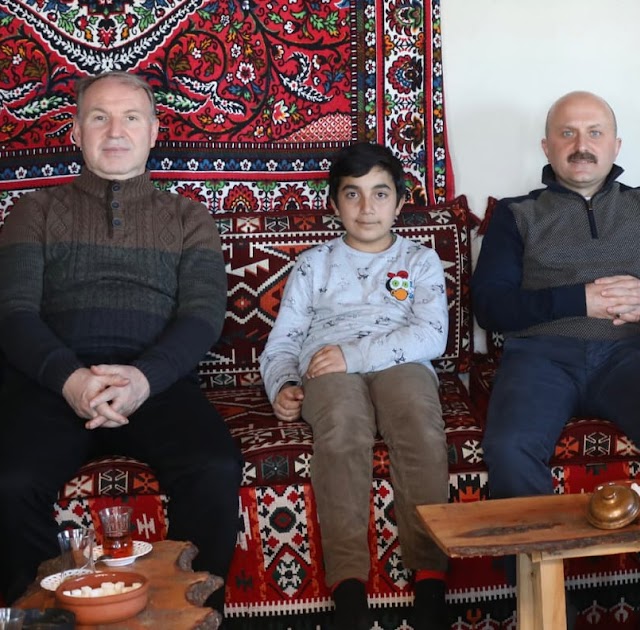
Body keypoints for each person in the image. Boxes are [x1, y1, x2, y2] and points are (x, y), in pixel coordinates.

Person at [471, 91, 640, 630]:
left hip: (630, 356)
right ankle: (544, 605)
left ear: (615, 145)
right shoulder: (516, 215)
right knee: (509, 450)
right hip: (541, 357)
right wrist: (576, 300)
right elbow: (490, 306)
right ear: (546, 146)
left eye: (594, 133)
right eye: (567, 133)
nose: (581, 145)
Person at [0, 71, 242, 608]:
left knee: (215, 468)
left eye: (131, 118)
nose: (115, 131)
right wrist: (71, 380)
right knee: (8, 481)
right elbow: (13, 314)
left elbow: (203, 315)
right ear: (76, 131)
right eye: (99, 117)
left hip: (156, 384)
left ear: (153, 132)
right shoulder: (33, 212)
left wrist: (143, 379)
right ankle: (43, 616)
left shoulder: (189, 217)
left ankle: (189, 614)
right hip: (50, 385)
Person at [259, 142, 450, 629]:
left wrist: (355, 353)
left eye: (380, 194)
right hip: (328, 368)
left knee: (418, 422)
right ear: (334, 203)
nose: (367, 208)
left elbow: (432, 335)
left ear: (400, 203)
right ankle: (348, 588)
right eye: (353, 194)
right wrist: (282, 383)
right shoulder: (314, 264)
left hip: (402, 361)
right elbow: (284, 340)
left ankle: (430, 579)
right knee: (343, 427)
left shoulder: (420, 260)